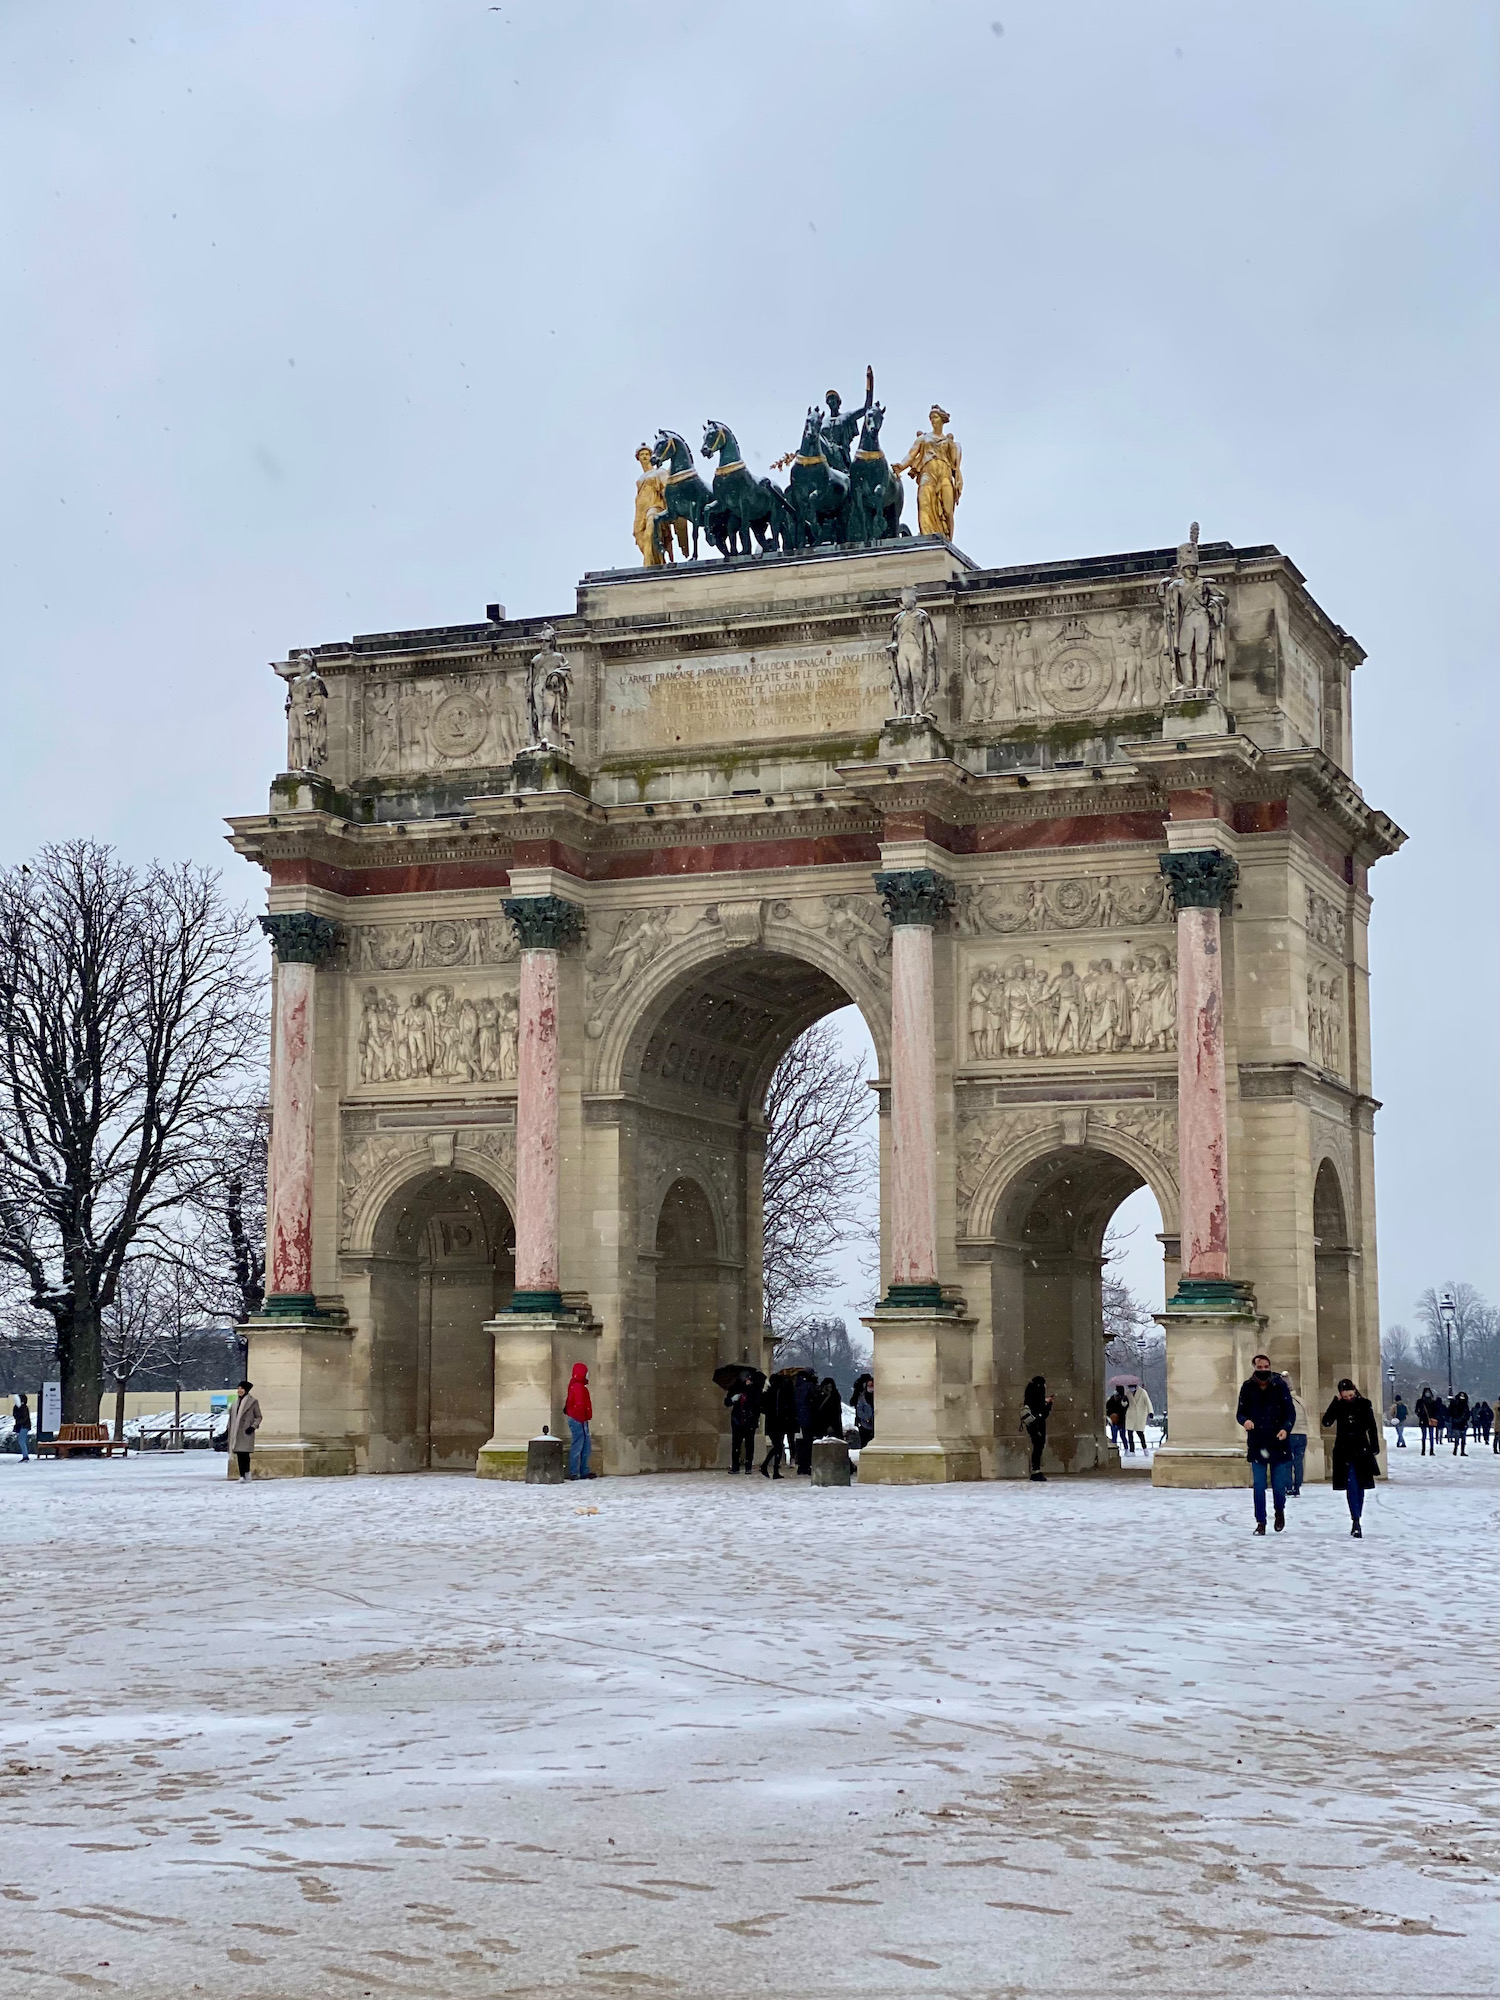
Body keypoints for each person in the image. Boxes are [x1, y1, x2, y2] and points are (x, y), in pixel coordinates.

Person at [1236, 1352, 1295, 1534]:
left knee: (1279, 1487)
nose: (1263, 1370)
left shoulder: (1280, 1386)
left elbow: (1290, 1412)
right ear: (1254, 1368)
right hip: (1257, 1442)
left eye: (1266, 1367)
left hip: (1278, 1441)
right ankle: (1260, 1522)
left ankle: (1279, 1511)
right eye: (1259, 1367)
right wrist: (1245, 1420)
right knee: (1259, 1486)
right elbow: (1240, 1412)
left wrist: (1286, 1428)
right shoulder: (1247, 1387)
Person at [1321, 1377, 1381, 1537]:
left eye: (1350, 1395)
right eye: (1345, 1396)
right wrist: (1335, 1403)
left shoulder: (1364, 1404)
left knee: (1360, 1486)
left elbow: (1372, 1426)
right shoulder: (1339, 1406)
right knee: (1351, 1484)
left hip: (1361, 1449)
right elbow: (1326, 1422)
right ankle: (1355, 1519)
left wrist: (1375, 1445)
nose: (1348, 1398)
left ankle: (1357, 1516)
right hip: (1343, 1450)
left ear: (1354, 1391)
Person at [760, 1372, 796, 1480]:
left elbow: (763, 1407)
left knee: (778, 1446)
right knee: (778, 1446)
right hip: (778, 1422)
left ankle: (772, 1468)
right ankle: (768, 1466)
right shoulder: (780, 1392)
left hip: (772, 1423)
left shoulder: (769, 1392)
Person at [225, 1380, 262, 1482]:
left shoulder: (253, 1402)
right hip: (235, 1431)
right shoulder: (234, 1403)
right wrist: (228, 1429)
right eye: (238, 1388)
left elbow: (258, 1416)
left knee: (245, 1454)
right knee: (239, 1454)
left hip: (246, 1431)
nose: (239, 1390)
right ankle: (242, 1475)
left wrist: (253, 1427)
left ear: (246, 1390)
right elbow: (231, 1418)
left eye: (241, 1388)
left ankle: (247, 1473)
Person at [725, 1373, 760, 1474]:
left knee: (749, 1444)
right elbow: (727, 1402)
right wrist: (732, 1399)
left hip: (749, 1420)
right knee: (736, 1444)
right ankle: (735, 1466)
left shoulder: (754, 1388)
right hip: (737, 1420)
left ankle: (748, 1466)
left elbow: (757, 1403)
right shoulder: (735, 1388)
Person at [564, 1362, 593, 1480]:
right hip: (578, 1419)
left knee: (585, 1445)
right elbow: (579, 1404)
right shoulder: (578, 1386)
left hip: (579, 1418)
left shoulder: (577, 1385)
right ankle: (575, 1471)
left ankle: (582, 1470)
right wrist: (581, 1418)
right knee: (579, 1445)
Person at [1021, 1375, 1053, 1482]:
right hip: (1037, 1423)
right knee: (1038, 1446)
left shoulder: (1030, 1391)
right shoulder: (1038, 1391)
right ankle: (1036, 1471)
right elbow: (1043, 1412)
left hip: (1031, 1422)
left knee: (1037, 1445)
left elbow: (1034, 1405)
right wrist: (1048, 1404)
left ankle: (1035, 1470)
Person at [1285, 1379, 1311, 1497]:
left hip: (1290, 1434)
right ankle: (1297, 1486)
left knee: (1287, 1462)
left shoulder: (1285, 1401)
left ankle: (1289, 1486)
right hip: (1302, 1434)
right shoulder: (1301, 1401)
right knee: (1299, 1462)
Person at [791, 1369, 816, 1476]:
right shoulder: (809, 1386)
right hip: (808, 1417)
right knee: (808, 1443)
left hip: (798, 1418)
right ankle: (806, 1465)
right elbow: (813, 1400)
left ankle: (801, 1465)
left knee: (801, 1443)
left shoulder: (796, 1386)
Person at [1125, 1382, 1154, 1454]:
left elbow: (1148, 1402)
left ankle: (1144, 1448)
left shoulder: (1143, 1392)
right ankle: (1132, 1450)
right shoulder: (1127, 1393)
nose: (1131, 1388)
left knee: (1140, 1433)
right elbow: (1125, 1404)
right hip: (1131, 1415)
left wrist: (1150, 1412)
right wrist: (1124, 1400)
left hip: (1140, 1414)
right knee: (1129, 1433)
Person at [813, 1376, 843, 1444]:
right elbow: (836, 1411)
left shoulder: (818, 1394)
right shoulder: (835, 1395)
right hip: (831, 1423)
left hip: (820, 1422)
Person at [851, 1373, 874, 1449]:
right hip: (865, 1422)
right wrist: (866, 1417)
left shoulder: (858, 1388)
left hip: (869, 1422)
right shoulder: (862, 1397)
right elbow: (859, 1409)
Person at [1104, 1387, 1128, 1452]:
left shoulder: (1124, 1399)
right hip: (1113, 1421)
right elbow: (1107, 1409)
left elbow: (1125, 1409)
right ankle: (1114, 1449)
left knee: (1123, 1436)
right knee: (1114, 1436)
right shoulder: (1111, 1400)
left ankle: (1126, 1449)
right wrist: (1110, 1415)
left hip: (1121, 1421)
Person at [1414, 1386, 1436, 1456]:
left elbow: (1436, 1411)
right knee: (1424, 1436)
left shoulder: (1432, 1402)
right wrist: (1420, 1415)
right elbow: (1416, 1410)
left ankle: (1431, 1450)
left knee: (1431, 1436)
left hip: (1430, 1420)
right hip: (1423, 1420)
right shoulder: (1420, 1402)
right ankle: (1423, 1450)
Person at [1448, 1389, 1470, 1456]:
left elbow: (1468, 1413)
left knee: (1461, 1438)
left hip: (1461, 1423)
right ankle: (1457, 1450)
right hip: (1459, 1423)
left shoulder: (1464, 1405)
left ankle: (1459, 1450)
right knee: (1459, 1438)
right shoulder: (1456, 1404)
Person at [11, 1393, 32, 1463]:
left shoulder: (24, 1408)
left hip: (24, 1426)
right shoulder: (21, 1408)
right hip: (23, 1426)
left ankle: (25, 1456)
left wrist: (19, 1422)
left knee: (21, 1441)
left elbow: (23, 1418)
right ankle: (25, 1455)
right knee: (22, 1441)